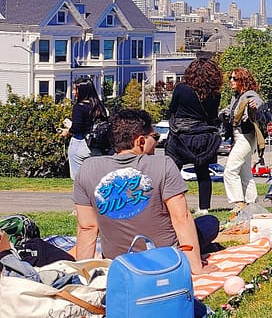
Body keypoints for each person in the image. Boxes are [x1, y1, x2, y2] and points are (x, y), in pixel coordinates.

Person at [72, 109, 219, 275]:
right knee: (209, 223)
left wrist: (82, 274)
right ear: (140, 141)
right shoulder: (163, 164)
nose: (156, 142)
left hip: (118, 261)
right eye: (154, 137)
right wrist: (196, 268)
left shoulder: (87, 169)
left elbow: (87, 227)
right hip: (164, 258)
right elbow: (181, 219)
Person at [164, 59, 223, 215]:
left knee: (172, 172)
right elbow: (212, 116)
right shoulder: (215, 94)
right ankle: (203, 208)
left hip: (180, 136)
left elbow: (172, 109)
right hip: (202, 137)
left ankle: (172, 206)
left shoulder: (181, 89)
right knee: (203, 173)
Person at [220, 67, 264, 213]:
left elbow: (258, 100)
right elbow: (232, 110)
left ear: (242, 81)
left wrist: (255, 105)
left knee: (230, 170)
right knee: (245, 172)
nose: (231, 81)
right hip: (239, 136)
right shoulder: (236, 96)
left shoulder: (249, 94)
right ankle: (252, 203)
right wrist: (224, 113)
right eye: (230, 78)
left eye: (235, 78)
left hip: (246, 136)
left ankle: (238, 202)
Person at [62, 76, 108, 180]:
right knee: (97, 179)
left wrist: (68, 130)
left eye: (75, 89)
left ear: (82, 91)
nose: (73, 92)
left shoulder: (79, 107)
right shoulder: (99, 106)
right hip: (97, 146)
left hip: (80, 143)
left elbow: (77, 128)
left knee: (79, 180)